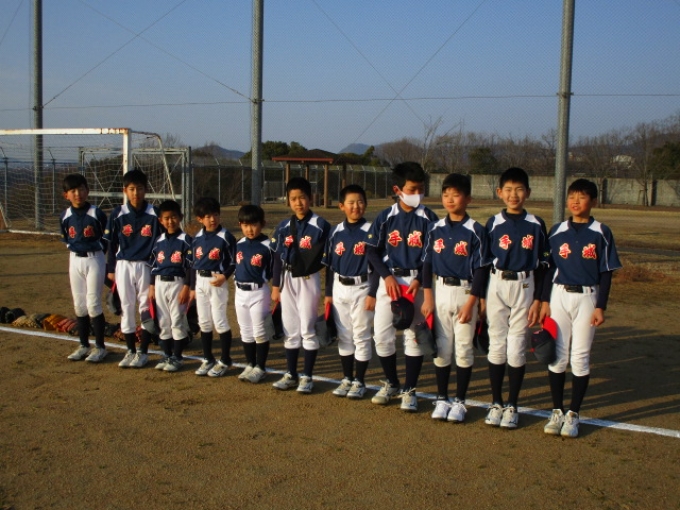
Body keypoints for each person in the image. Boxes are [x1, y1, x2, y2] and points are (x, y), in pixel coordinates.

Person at [540, 179, 622, 438]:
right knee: (558, 355)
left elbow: (606, 272)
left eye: (582, 197)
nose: (576, 201)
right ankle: (557, 411)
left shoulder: (601, 232)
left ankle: (573, 414)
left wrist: (600, 306)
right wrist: (544, 301)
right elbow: (548, 269)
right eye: (572, 196)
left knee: (580, 356)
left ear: (593, 201)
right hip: (559, 296)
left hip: (587, 296)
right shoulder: (557, 231)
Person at [365, 161, 438, 411]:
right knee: (381, 336)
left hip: (417, 282)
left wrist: (420, 280)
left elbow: (433, 254)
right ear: (397, 190)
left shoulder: (429, 218)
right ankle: (392, 383)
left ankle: (410, 389)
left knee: (413, 337)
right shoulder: (385, 217)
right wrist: (386, 277)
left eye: (421, 189)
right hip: (390, 282)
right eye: (412, 189)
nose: (417, 193)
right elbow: (372, 250)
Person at [483, 167, 549, 429]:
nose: (514, 195)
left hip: (525, 284)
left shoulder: (536, 223)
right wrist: (481, 296)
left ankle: (512, 404)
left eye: (519, 189)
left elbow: (544, 264)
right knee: (497, 343)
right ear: (499, 192)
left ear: (528, 193)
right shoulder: (493, 223)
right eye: (508, 190)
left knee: (517, 344)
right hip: (497, 283)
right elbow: (483, 262)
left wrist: (539, 299)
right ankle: (496, 402)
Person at [421, 173, 488, 422]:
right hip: (440, 290)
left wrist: (472, 302)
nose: (450, 199)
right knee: (442, 348)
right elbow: (427, 264)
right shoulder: (434, 228)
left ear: (468, 198)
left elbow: (481, 270)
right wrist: (428, 297)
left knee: (463, 349)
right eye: (446, 194)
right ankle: (442, 398)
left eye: (456, 194)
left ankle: (459, 401)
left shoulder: (476, 230)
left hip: (465, 292)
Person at [270, 177, 331, 394]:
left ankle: (307, 376)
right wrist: (275, 286)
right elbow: (277, 257)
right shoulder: (283, 226)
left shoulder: (321, 225)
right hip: (286, 279)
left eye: (302, 198)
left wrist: (329, 292)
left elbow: (329, 260)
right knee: (290, 328)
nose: (298, 203)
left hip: (307, 279)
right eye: (293, 198)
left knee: (307, 327)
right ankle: (291, 374)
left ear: (310, 198)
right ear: (288, 200)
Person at [322, 184, 378, 400]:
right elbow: (329, 266)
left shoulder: (372, 231)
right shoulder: (335, 232)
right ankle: (347, 378)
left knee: (361, 335)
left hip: (363, 287)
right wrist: (328, 293)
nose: (356, 206)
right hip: (339, 287)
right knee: (344, 335)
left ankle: (359, 381)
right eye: (351, 202)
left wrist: (373, 293)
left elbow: (377, 267)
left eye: (360, 202)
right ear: (341, 206)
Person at [104, 168, 163, 368]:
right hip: (123, 265)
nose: (136, 193)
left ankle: (143, 352)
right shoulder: (118, 213)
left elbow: (162, 243)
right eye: (131, 189)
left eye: (139, 188)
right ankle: (130, 350)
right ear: (125, 191)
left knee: (146, 307)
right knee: (126, 307)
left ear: (145, 190)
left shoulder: (154, 213)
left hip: (146, 265)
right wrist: (111, 269)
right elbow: (112, 244)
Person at [60, 174, 109, 363]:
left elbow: (106, 238)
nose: (77, 194)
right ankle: (83, 344)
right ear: (66, 195)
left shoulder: (96, 213)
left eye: (81, 189)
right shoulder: (65, 216)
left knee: (93, 303)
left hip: (94, 258)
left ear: (87, 191)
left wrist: (99, 251)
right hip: (75, 260)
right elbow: (66, 237)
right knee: (79, 305)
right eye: (73, 191)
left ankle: (100, 347)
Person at [190, 197, 237, 377]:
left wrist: (225, 275)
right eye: (208, 216)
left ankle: (225, 359)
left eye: (215, 215)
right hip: (200, 280)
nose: (213, 219)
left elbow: (234, 261)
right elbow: (193, 263)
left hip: (217, 281)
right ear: (200, 219)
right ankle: (208, 358)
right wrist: (193, 286)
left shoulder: (226, 236)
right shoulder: (197, 238)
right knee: (204, 321)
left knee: (219, 320)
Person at [148, 200, 193, 372]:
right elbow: (153, 265)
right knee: (163, 321)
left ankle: (178, 357)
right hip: (160, 283)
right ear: (160, 220)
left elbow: (190, 266)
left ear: (180, 217)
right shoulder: (158, 240)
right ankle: (167, 355)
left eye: (173, 217)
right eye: (166, 218)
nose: (170, 221)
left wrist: (186, 287)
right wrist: (151, 285)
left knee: (177, 320)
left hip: (177, 283)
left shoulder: (186, 240)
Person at [234, 204, 274, 384]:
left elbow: (273, 270)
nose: (249, 229)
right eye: (245, 225)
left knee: (259, 330)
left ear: (262, 224)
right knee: (245, 331)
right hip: (240, 291)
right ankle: (250, 364)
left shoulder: (268, 245)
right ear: (240, 225)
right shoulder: (239, 244)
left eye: (254, 224)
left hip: (259, 291)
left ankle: (261, 367)